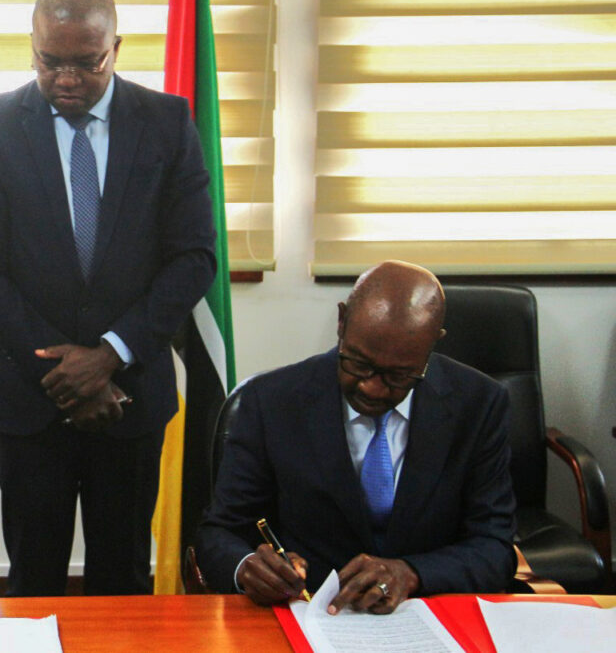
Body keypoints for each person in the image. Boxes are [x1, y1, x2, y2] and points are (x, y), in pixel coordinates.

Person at [0, 0, 216, 595]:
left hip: (132, 395)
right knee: (33, 583)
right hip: (30, 398)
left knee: (124, 579)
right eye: (50, 62)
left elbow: (193, 257)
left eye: (87, 63)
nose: (66, 79)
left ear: (115, 49)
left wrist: (110, 355)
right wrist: (66, 371)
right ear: (32, 47)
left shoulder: (166, 123)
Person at [196, 260, 517, 614]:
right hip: (308, 612)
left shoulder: (479, 404)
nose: (372, 388)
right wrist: (246, 568)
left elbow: (494, 548)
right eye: (359, 364)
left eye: (398, 376)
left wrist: (412, 573)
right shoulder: (271, 401)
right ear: (341, 321)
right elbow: (220, 532)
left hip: (423, 614)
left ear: (432, 343)